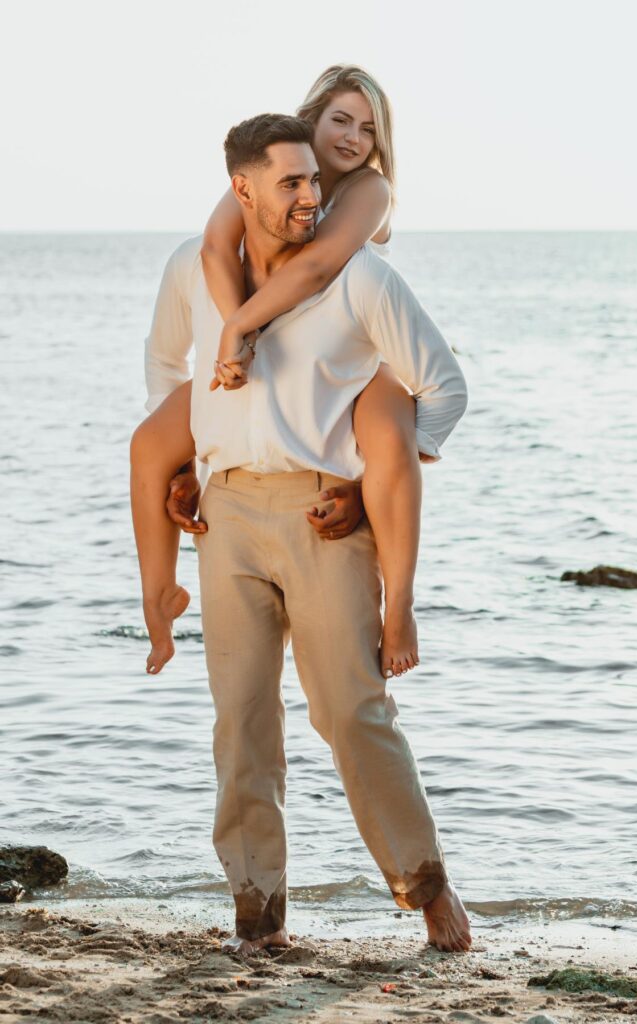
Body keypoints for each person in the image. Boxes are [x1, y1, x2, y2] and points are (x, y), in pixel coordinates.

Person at [142, 113, 471, 954]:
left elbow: (444, 389)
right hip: (226, 519)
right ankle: (257, 916)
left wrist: (367, 488)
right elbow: (165, 366)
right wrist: (186, 462)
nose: (309, 196)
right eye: (290, 183)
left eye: (314, 182)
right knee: (241, 720)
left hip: (323, 519)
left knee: (352, 710)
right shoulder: (192, 266)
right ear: (241, 189)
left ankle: (426, 888)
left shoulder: (358, 279)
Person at [131, 65, 427, 680]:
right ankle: (158, 593)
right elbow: (216, 247)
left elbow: (318, 265)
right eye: (340, 120)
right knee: (149, 444)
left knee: (389, 436)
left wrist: (241, 329)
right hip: (250, 431)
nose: (351, 138)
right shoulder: (266, 171)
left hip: (349, 356)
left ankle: (401, 604)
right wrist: (190, 463)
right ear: (311, 119)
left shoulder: (368, 191)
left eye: (368, 129)